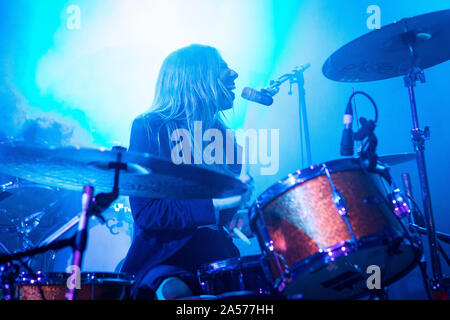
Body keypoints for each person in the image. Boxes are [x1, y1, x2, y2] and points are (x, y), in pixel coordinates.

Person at [121, 44, 252, 300]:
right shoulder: (150, 128)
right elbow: (147, 212)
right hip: (167, 261)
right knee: (176, 293)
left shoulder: (227, 140)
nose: (234, 74)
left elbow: (221, 220)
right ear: (196, 76)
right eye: (223, 67)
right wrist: (216, 204)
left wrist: (243, 214)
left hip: (217, 258)